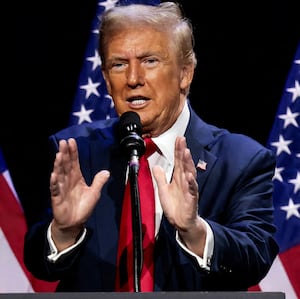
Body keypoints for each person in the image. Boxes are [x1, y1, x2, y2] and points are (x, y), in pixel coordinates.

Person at [24, 1, 279, 292]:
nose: (133, 79)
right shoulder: (75, 152)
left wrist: (194, 230)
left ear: (185, 73)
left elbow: (256, 257)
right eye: (119, 64)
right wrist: (63, 231)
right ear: (107, 80)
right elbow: (38, 262)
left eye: (150, 61)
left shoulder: (241, 160)